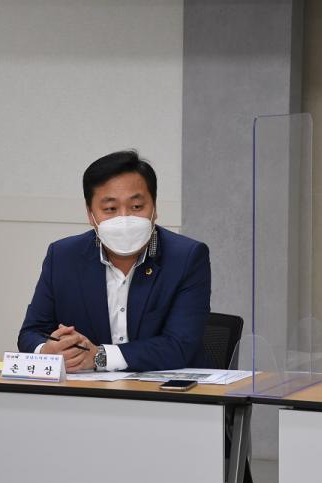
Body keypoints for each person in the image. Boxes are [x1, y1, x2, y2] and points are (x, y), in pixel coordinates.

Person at [17, 150, 211, 373]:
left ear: (155, 208)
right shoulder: (63, 256)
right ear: (90, 214)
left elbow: (180, 345)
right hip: (88, 392)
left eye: (136, 207)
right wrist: (48, 351)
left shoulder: (187, 257)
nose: (124, 218)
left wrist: (99, 357)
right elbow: (31, 333)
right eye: (110, 209)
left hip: (168, 389)